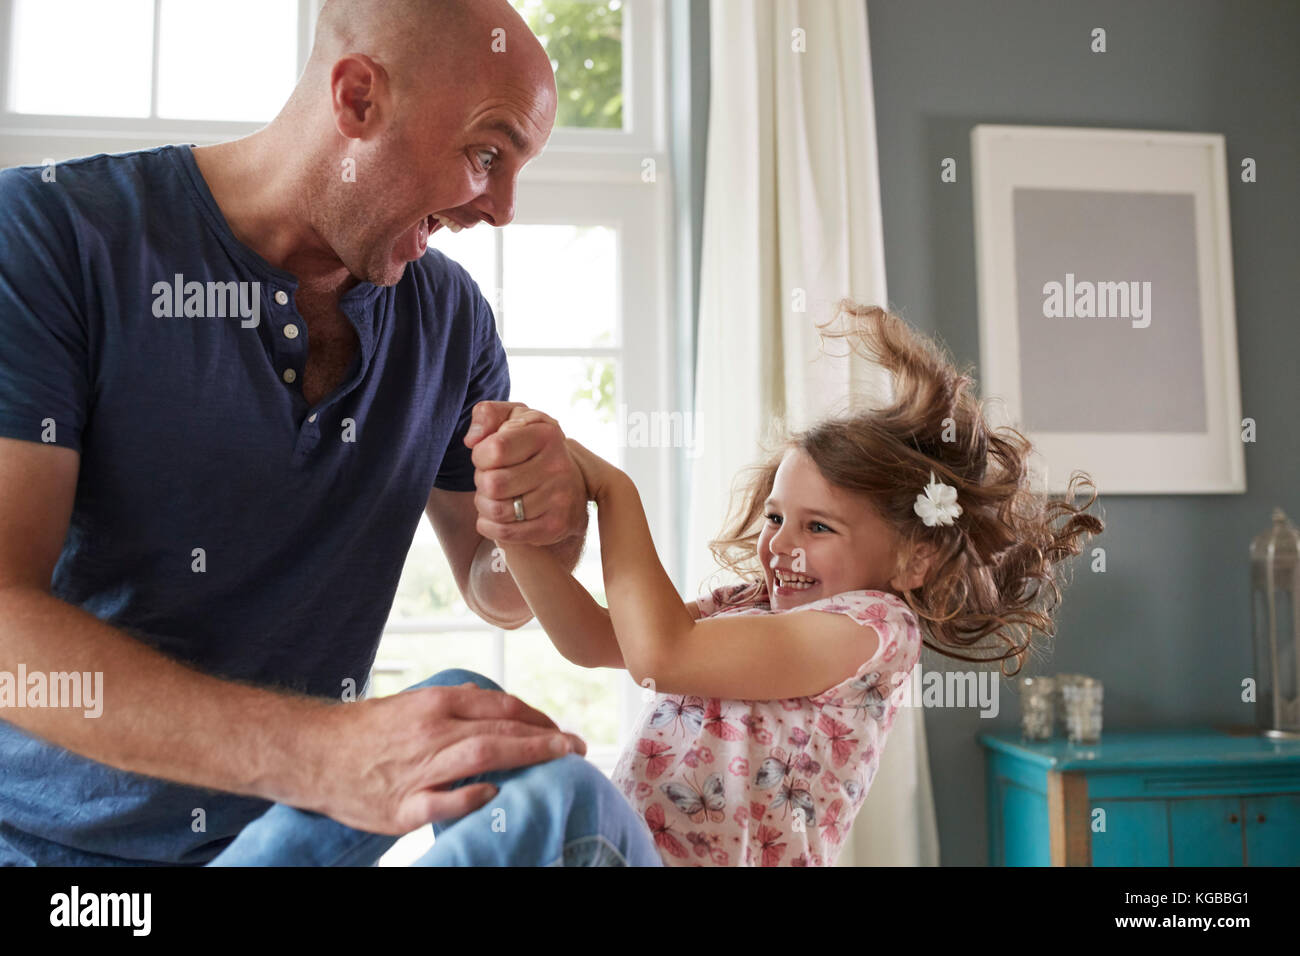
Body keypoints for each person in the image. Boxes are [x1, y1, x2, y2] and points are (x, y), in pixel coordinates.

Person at [0, 0, 602, 866]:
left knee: (528, 773)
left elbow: (492, 583)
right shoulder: (51, 237)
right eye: (486, 154)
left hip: (294, 841)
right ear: (358, 99)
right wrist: (321, 755)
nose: (502, 210)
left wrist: (549, 527)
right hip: (55, 858)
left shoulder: (452, 320)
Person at [205, 300, 1104, 866]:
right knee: (455, 707)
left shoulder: (869, 630)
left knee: (566, 794)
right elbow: (598, 641)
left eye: (819, 527)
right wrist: (513, 517)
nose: (782, 546)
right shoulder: (758, 613)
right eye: (777, 519)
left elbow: (659, 654)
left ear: (913, 559)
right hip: (622, 851)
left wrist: (613, 489)